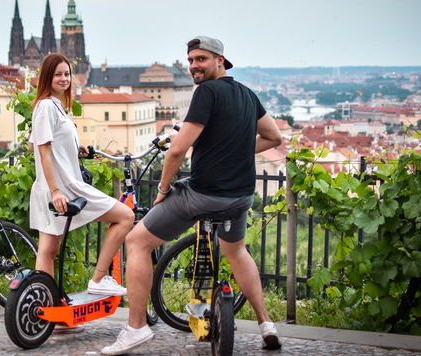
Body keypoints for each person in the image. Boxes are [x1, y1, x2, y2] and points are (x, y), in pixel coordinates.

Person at [101, 36, 284, 355]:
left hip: (203, 195)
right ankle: (266, 324)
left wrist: (162, 190)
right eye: (190, 60)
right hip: (240, 197)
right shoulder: (247, 94)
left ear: (220, 60)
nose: (193, 65)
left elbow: (177, 151)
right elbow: (273, 137)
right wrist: (236, 151)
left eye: (201, 58)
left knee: (136, 241)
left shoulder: (207, 92)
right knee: (237, 251)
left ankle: (135, 328)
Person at [29, 53, 134, 304]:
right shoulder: (46, 106)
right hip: (64, 187)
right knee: (125, 216)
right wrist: (56, 191)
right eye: (58, 74)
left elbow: (40, 145)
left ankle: (47, 309)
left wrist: (76, 149)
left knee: (47, 251)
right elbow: (42, 151)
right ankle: (98, 280)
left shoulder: (54, 106)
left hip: (52, 185)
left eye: (67, 74)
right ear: (47, 77)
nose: (64, 78)